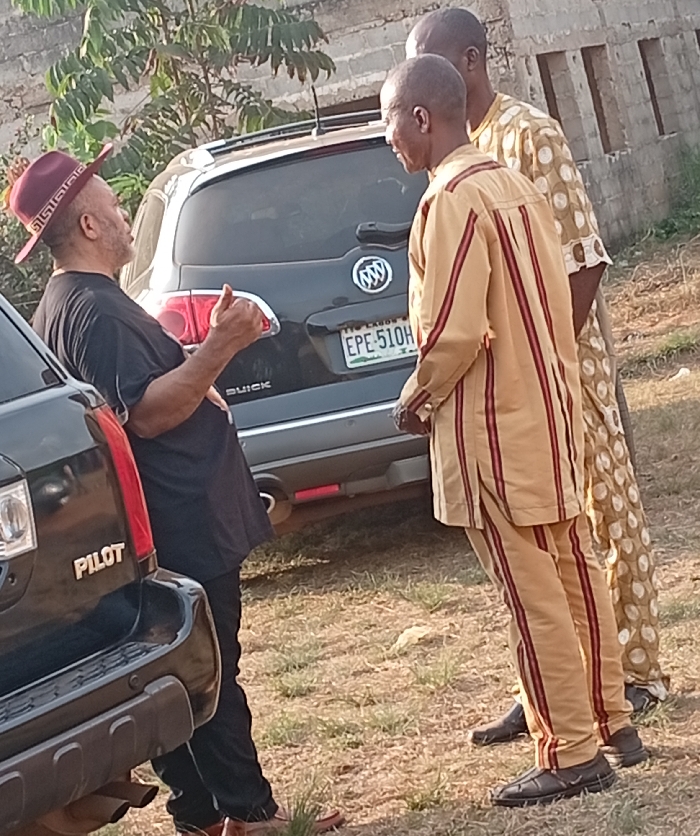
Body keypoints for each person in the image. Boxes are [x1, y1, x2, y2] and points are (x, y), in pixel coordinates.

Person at [8, 148, 344, 836]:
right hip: (181, 522)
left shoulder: (74, 304)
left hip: (175, 518)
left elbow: (137, 395)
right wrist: (219, 347)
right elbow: (149, 412)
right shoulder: (92, 310)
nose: (125, 213)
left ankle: (200, 814)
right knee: (209, 670)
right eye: (113, 204)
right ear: (89, 225)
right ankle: (249, 814)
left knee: (183, 668)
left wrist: (196, 361)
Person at [382, 54, 647, 807]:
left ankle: (570, 753)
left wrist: (415, 398)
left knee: (532, 597)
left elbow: (455, 333)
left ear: (422, 118)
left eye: (389, 122)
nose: (388, 138)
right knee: (573, 572)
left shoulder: (452, 200)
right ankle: (612, 722)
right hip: (550, 417)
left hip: (494, 433)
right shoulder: (514, 186)